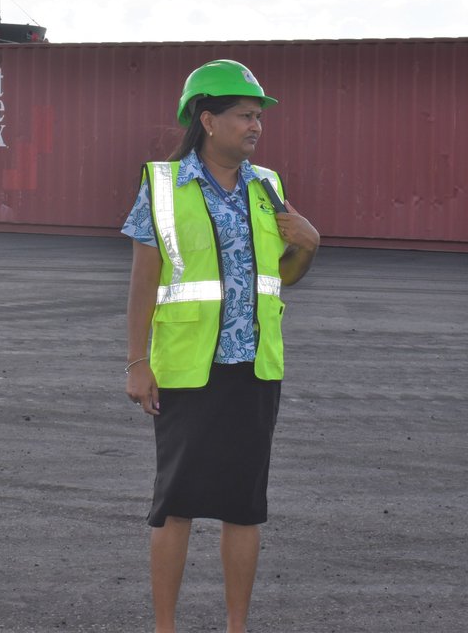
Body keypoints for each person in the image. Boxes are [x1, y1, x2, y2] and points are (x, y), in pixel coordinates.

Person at [122, 59, 320, 633]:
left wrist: (309, 245)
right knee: (175, 506)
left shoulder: (268, 186)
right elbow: (143, 283)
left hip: (255, 370)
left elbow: (281, 277)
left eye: (259, 117)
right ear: (207, 120)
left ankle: (238, 626)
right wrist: (137, 362)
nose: (256, 126)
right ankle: (166, 626)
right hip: (188, 370)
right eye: (244, 116)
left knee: (244, 507)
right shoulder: (163, 186)